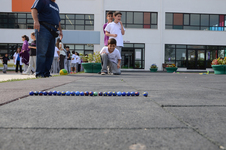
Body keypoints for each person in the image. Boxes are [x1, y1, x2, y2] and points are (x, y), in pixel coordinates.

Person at [31, 0, 63, 78]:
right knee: (42, 52)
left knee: (50, 53)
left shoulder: (55, 5)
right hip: (43, 28)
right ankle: (39, 73)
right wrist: (36, 21)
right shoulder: (42, 0)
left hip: (53, 30)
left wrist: (60, 31)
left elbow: (58, 20)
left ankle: (46, 72)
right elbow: (34, 9)